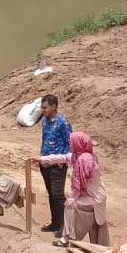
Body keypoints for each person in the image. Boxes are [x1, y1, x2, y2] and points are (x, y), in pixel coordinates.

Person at [33, 131, 108, 247]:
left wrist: (72, 198)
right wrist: (41, 159)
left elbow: (80, 181)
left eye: (71, 142)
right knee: (72, 206)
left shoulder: (85, 160)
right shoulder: (77, 157)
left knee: (69, 206)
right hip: (89, 195)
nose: (69, 144)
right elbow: (60, 158)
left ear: (78, 143)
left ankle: (66, 239)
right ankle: (69, 238)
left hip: (94, 197)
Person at [38, 95, 72, 234]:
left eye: (45, 107)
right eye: (42, 107)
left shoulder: (63, 123)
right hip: (45, 162)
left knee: (58, 195)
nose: (43, 110)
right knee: (51, 194)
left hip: (57, 164)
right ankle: (55, 223)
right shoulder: (44, 121)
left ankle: (66, 227)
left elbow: (70, 144)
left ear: (53, 106)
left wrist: (61, 161)